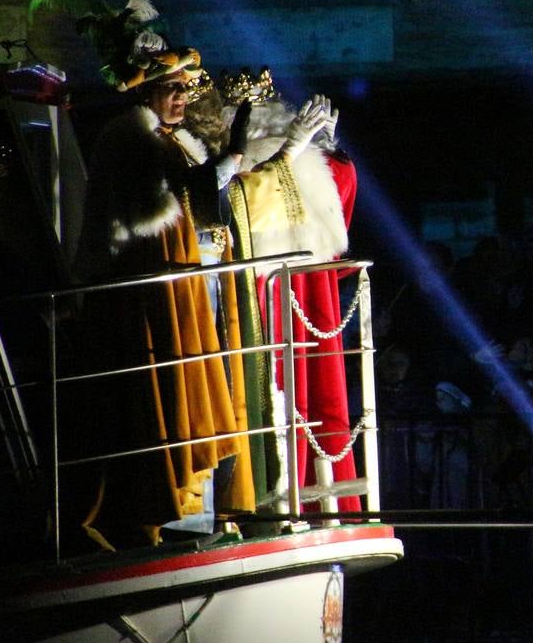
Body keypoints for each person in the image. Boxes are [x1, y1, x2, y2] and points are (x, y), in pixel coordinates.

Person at [69, 55, 256, 551]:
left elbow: (195, 201)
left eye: (185, 89)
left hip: (178, 285)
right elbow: (178, 197)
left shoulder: (164, 138)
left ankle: (190, 506)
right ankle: (159, 509)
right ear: (145, 92)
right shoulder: (132, 138)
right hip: (148, 295)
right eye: (172, 88)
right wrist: (233, 152)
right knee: (163, 391)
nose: (182, 98)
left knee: (188, 384)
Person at [222, 75, 363, 516]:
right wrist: (291, 153)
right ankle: (280, 502)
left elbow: (336, 208)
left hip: (308, 285)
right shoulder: (243, 161)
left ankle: (327, 501)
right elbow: (242, 207)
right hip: (264, 293)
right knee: (284, 399)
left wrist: (330, 148)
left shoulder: (301, 156)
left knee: (322, 401)